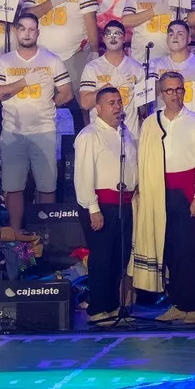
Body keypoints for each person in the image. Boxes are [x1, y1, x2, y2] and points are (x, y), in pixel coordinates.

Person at [132, 72, 195, 324]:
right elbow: (143, 157)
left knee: (189, 250)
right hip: (159, 193)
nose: (176, 94)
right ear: (161, 93)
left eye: (179, 89)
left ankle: (191, 306)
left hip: (186, 192)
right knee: (168, 250)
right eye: (170, 90)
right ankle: (177, 303)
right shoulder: (150, 123)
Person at [0, 13, 71, 240]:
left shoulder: (52, 60)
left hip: (44, 131)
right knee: (13, 186)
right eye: (22, 28)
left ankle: (45, 235)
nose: (27, 33)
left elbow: (66, 92)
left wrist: (48, 106)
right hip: (13, 132)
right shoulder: (4, 61)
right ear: (15, 31)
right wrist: (25, 81)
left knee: (47, 184)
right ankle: (16, 235)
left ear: (38, 33)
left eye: (32, 29)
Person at [74, 84, 139, 327]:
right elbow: (83, 175)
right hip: (100, 205)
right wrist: (93, 208)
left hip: (123, 205)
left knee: (118, 257)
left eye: (119, 102)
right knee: (102, 258)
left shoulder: (125, 133)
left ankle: (113, 306)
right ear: (98, 108)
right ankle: (98, 309)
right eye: (111, 103)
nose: (116, 107)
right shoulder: (89, 135)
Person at [22, 0, 99, 81]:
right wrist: (52, 2)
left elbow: (91, 22)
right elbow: (24, 16)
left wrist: (94, 51)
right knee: (46, 98)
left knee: (76, 98)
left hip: (74, 54)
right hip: (42, 56)